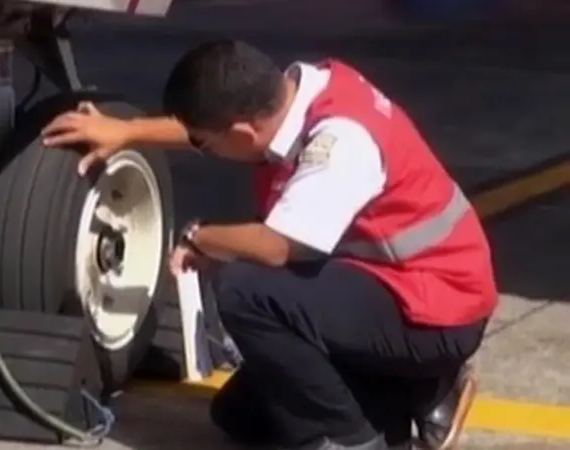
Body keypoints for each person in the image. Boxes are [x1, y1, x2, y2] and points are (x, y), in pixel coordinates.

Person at [41, 40, 497, 450]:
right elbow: (220, 122)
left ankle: (353, 442)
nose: (204, 149)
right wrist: (129, 131)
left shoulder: (341, 144)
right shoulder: (296, 90)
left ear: (241, 133)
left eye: (207, 144)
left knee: (246, 288)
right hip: (387, 288)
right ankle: (420, 389)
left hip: (434, 309)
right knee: (243, 417)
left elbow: (277, 248)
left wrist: (202, 237)